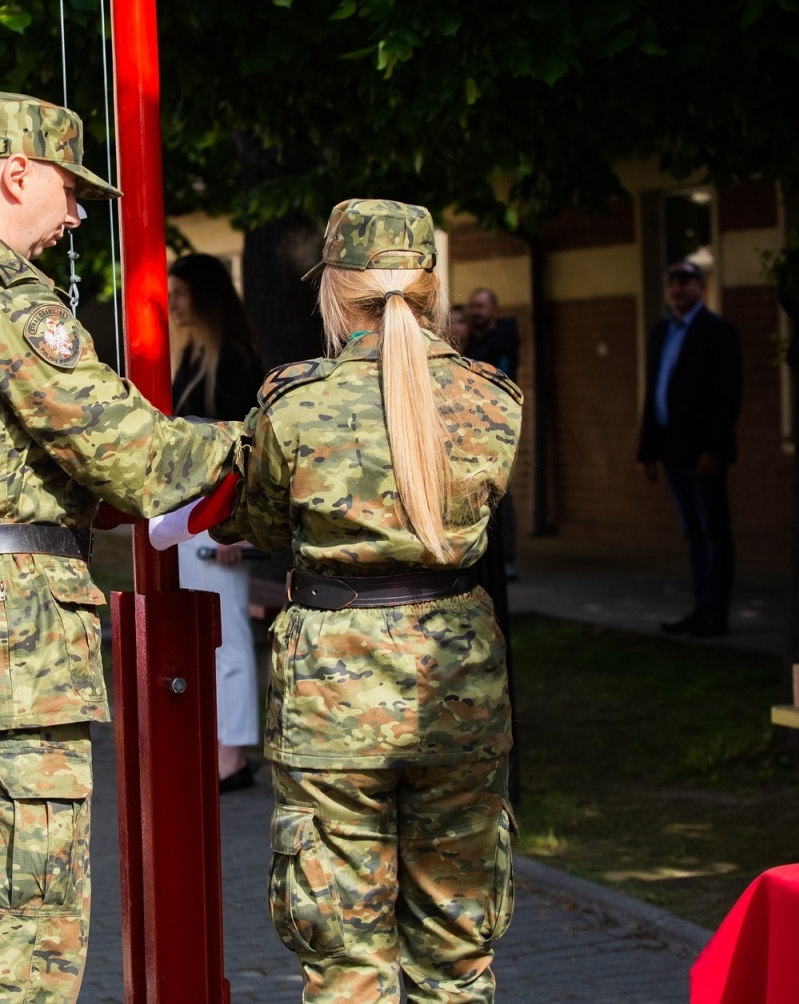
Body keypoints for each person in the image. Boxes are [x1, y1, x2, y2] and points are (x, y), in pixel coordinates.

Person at [0, 90, 239, 1002]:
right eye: (68, 190)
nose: (73, 215)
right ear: (17, 172)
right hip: (10, 642)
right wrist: (270, 443)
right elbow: (136, 457)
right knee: (24, 934)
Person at [210, 199, 522, 1002]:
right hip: (459, 682)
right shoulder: (494, 400)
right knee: (458, 953)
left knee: (347, 959)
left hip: (333, 693)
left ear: (334, 291)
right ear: (431, 288)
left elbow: (263, 520)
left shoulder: (295, 401)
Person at [167, 253, 264, 791]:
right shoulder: (196, 359)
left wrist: (242, 524)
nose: (173, 304)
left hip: (219, 520)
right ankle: (218, 748)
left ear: (203, 296)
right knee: (209, 641)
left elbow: (252, 452)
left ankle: (232, 758)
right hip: (193, 519)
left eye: (180, 293)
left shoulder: (231, 358)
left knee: (228, 640)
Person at [638, 260, 743, 638]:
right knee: (694, 534)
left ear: (701, 286)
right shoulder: (662, 331)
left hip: (703, 455)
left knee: (713, 531)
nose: (678, 289)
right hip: (672, 450)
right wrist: (647, 450)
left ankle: (717, 614)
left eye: (685, 282)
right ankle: (701, 610)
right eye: (672, 283)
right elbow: (655, 391)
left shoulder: (717, 331)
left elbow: (727, 396)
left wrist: (714, 450)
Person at [461, 287, 520, 580]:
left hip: (494, 426)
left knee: (500, 491)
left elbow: (504, 380)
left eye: (481, 306)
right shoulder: (474, 342)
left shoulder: (502, 340)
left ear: (494, 309)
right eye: (473, 306)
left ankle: (506, 557)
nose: (476, 311)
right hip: (470, 427)